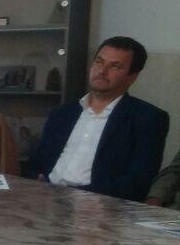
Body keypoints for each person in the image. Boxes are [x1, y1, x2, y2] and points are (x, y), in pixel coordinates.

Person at [31, 36, 169, 202]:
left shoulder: (147, 118)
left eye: (115, 66)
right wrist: (37, 184)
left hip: (100, 205)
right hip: (45, 199)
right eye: (99, 62)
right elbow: (36, 162)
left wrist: (81, 197)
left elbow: (138, 181)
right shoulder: (62, 113)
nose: (102, 71)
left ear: (132, 76)